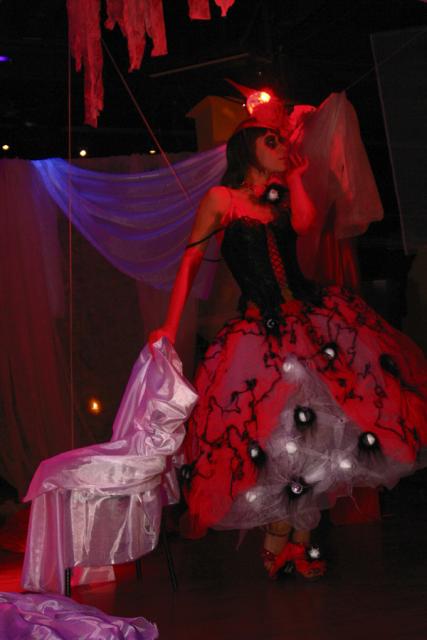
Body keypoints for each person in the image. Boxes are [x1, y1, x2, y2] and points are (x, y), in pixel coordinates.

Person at [149, 92, 427, 580]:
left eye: (282, 141)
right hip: (259, 335)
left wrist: (296, 178)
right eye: (273, 142)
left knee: (320, 432)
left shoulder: (278, 197)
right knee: (278, 437)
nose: (283, 148)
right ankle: (281, 541)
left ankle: (296, 542)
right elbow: (190, 261)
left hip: (310, 320)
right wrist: (170, 326)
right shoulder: (222, 199)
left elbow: (304, 223)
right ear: (249, 148)